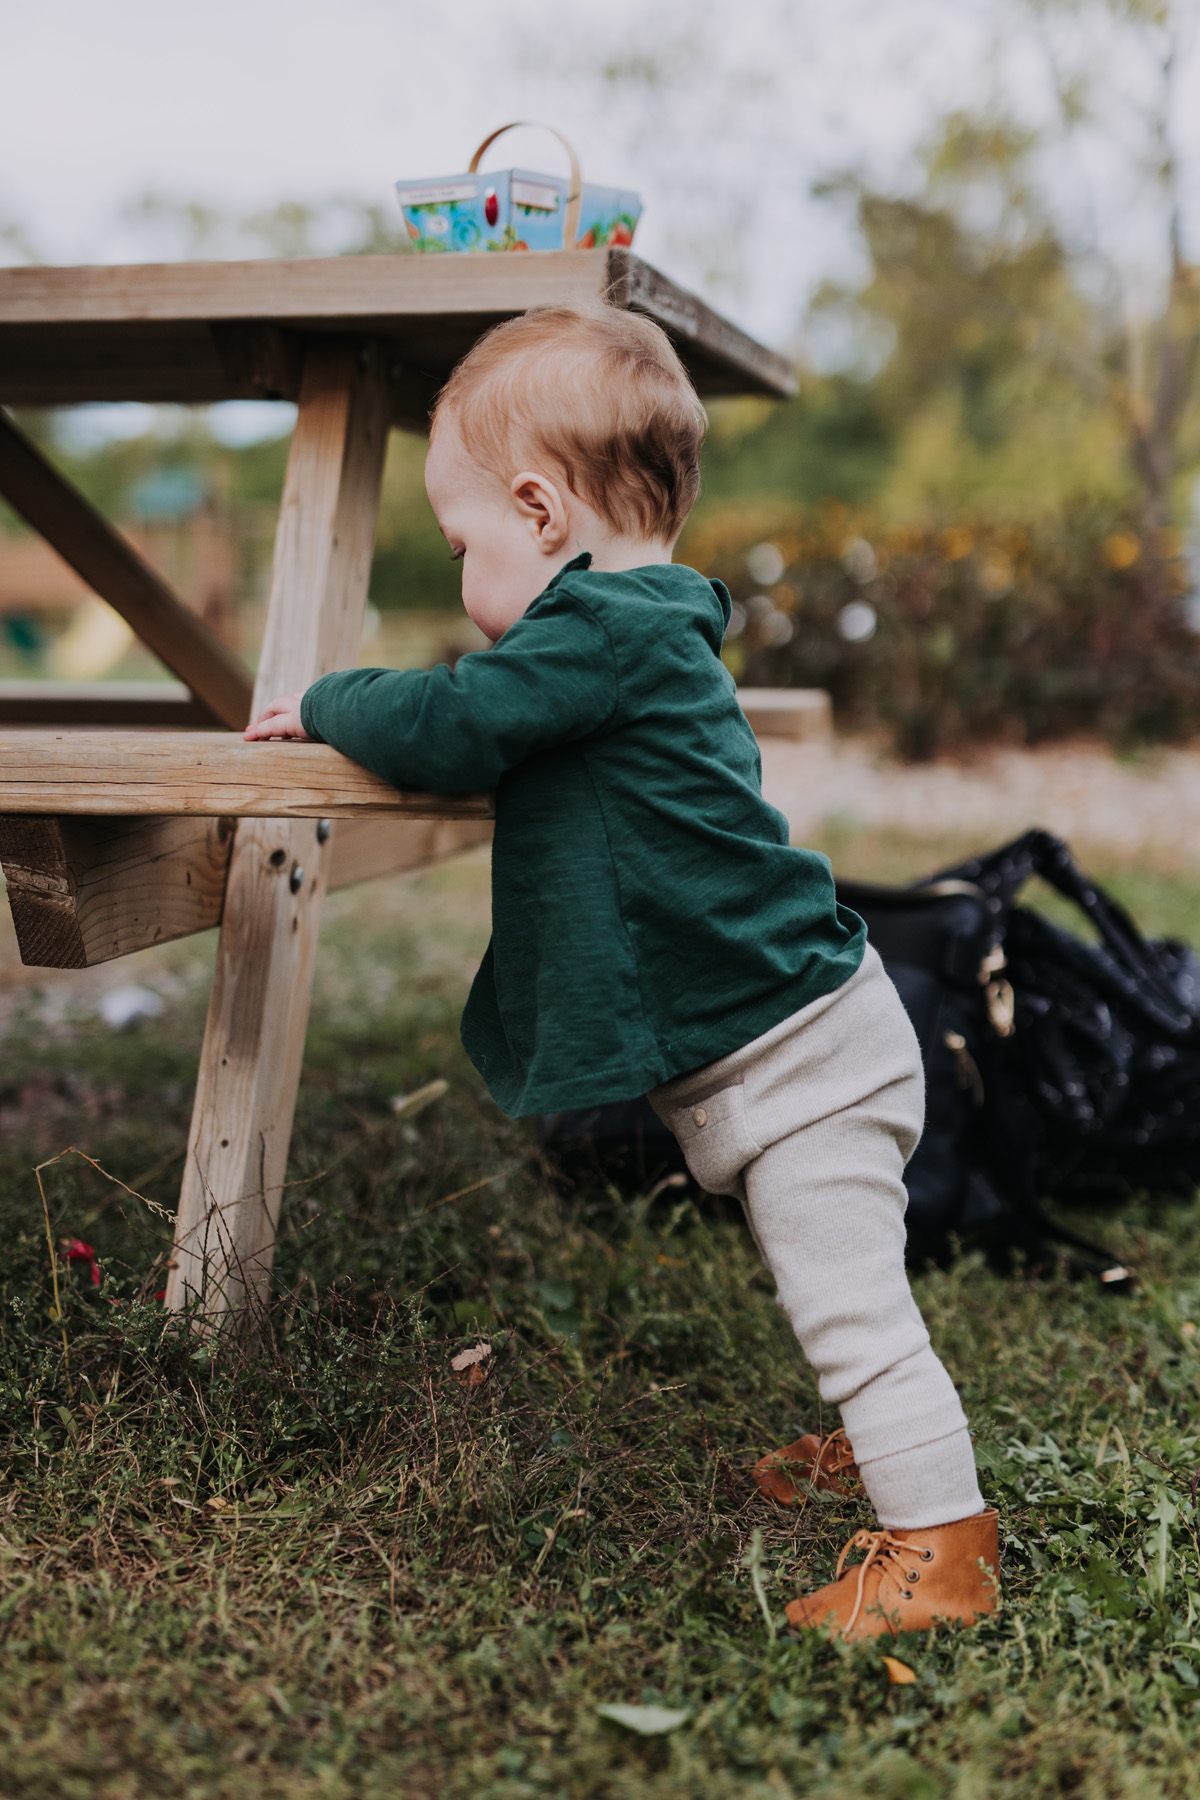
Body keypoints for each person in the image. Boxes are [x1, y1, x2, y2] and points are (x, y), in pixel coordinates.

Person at [246, 304, 999, 1639]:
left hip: (811, 1065)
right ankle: (881, 1449)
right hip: (815, 1036)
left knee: (851, 1309)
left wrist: (323, 702)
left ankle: (941, 1557)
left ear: (539, 514)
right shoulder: (637, 629)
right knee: (832, 1288)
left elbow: (459, 720)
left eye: (462, 541)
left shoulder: (604, 633)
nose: (466, 573)